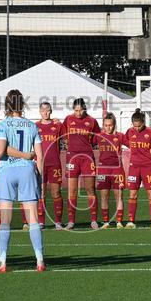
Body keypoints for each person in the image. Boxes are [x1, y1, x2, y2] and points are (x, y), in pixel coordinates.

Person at [0, 89, 44, 272]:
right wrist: (39, 180)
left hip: (7, 171)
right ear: (22, 104)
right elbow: (39, 156)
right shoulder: (32, 126)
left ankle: (3, 262)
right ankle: (40, 260)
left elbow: (1, 150)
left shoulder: (2, 125)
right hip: (27, 170)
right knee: (33, 219)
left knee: (5, 220)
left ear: (6, 105)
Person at [61, 98, 100, 229]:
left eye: (81, 110)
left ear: (85, 109)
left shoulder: (92, 121)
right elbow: (63, 135)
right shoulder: (68, 119)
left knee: (90, 189)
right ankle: (71, 221)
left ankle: (93, 220)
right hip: (72, 158)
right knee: (72, 191)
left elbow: (96, 139)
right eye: (76, 110)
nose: (78, 113)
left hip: (87, 158)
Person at [124, 111, 151, 228]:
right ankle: (131, 221)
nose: (137, 128)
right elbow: (123, 141)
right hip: (134, 167)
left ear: (143, 122)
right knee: (132, 194)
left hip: (147, 167)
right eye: (135, 126)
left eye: (139, 126)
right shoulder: (129, 132)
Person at [35, 101, 65, 229]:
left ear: (51, 111)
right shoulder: (35, 126)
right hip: (40, 164)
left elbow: (67, 137)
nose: (45, 113)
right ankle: (41, 222)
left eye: (47, 110)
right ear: (40, 112)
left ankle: (58, 221)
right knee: (41, 194)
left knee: (56, 193)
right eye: (43, 110)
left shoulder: (57, 125)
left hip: (54, 164)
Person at [94, 113, 127, 229]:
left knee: (119, 196)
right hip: (103, 170)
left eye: (110, 125)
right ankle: (106, 222)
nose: (108, 127)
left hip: (117, 170)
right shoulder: (98, 136)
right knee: (104, 196)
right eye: (106, 125)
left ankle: (119, 222)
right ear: (103, 125)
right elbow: (85, 141)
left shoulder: (120, 136)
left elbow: (133, 144)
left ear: (114, 125)